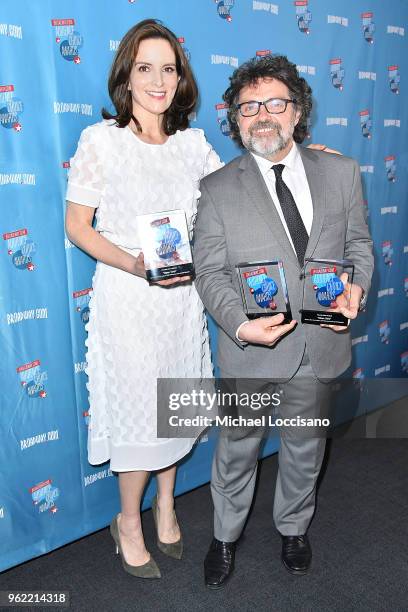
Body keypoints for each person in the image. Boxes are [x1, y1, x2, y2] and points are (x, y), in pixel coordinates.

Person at [193, 54, 374, 589]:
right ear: (236, 120)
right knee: (237, 451)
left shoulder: (341, 172)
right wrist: (238, 325)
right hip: (249, 350)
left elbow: (360, 246)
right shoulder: (217, 188)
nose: (262, 115)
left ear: (297, 113)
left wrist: (356, 290)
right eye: (249, 107)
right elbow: (209, 272)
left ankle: (294, 528)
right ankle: (224, 537)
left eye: (275, 102)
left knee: (305, 448)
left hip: (319, 348)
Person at [65, 19, 223, 579]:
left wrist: (302, 158)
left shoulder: (193, 144)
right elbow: (77, 227)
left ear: (181, 79)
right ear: (126, 76)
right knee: (139, 413)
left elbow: (234, 199)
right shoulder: (100, 140)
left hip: (180, 302)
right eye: (145, 67)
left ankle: (165, 504)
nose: (158, 80)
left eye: (169, 68)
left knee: (173, 404)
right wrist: (132, 262)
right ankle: (127, 520)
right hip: (128, 300)